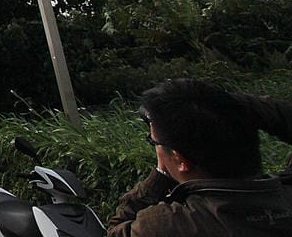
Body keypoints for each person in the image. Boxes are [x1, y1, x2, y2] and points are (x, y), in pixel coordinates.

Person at [107, 78, 292, 236]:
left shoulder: (166, 225)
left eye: (152, 142)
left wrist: (160, 175)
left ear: (180, 161)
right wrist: (225, 106)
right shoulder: (286, 195)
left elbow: (117, 229)